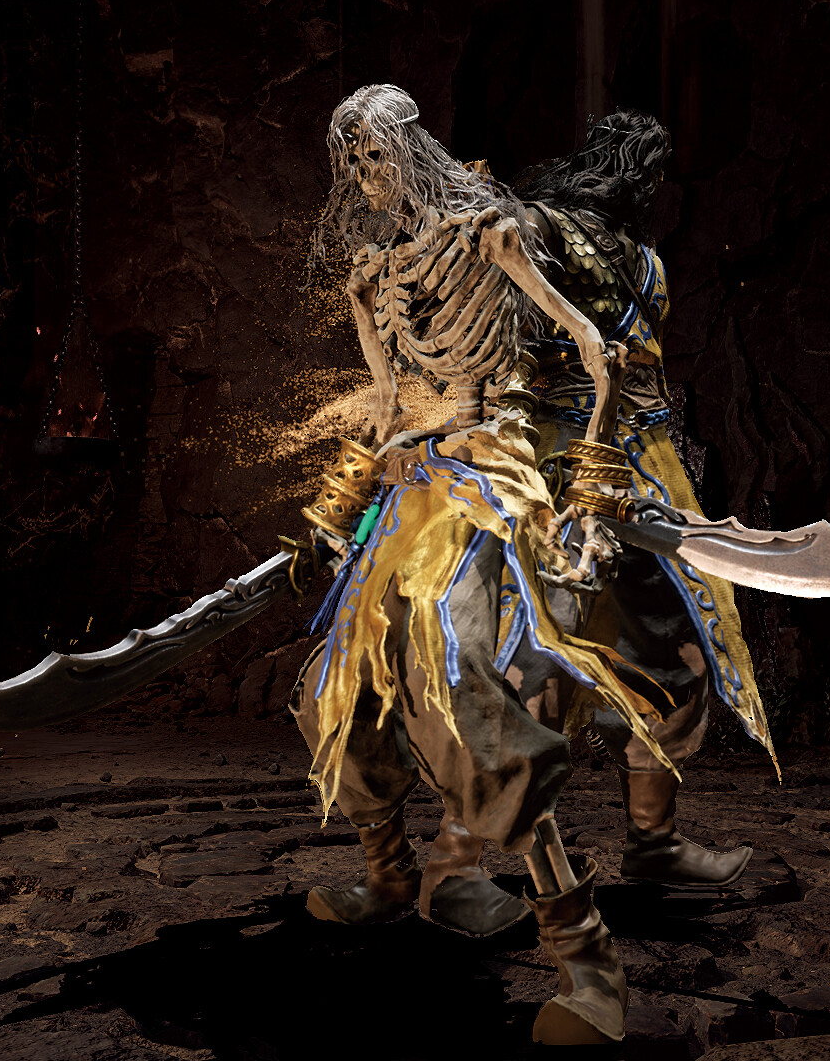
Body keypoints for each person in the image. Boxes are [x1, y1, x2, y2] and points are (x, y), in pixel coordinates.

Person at [291, 83, 664, 1045]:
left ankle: (586, 958)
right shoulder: (370, 278)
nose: (364, 173)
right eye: (350, 158)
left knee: (459, 687)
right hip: (410, 482)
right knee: (337, 685)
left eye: (375, 151)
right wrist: (339, 507)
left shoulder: (492, 236)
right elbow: (389, 408)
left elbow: (598, 354)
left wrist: (593, 487)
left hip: (493, 474)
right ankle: (389, 876)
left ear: (411, 146)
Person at [373, 110, 782, 941]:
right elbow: (487, 306)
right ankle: (456, 863)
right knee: (537, 661)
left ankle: (654, 843)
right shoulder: (536, 229)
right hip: (548, 473)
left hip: (643, 472)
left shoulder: (646, 261)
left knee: (673, 649)